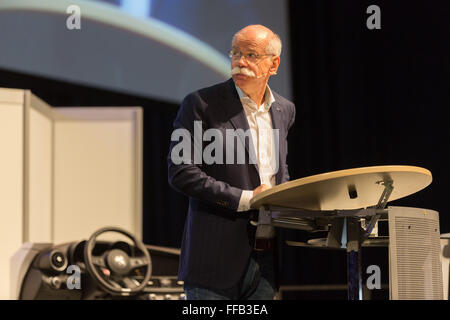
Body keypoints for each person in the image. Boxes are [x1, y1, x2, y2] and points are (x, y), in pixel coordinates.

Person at [168, 24, 296, 300]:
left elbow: (279, 172)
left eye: (251, 54)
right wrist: (247, 199)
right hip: (213, 260)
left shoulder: (285, 110)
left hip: (266, 258)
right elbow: (181, 172)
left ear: (273, 64)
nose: (240, 62)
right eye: (235, 53)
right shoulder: (200, 104)